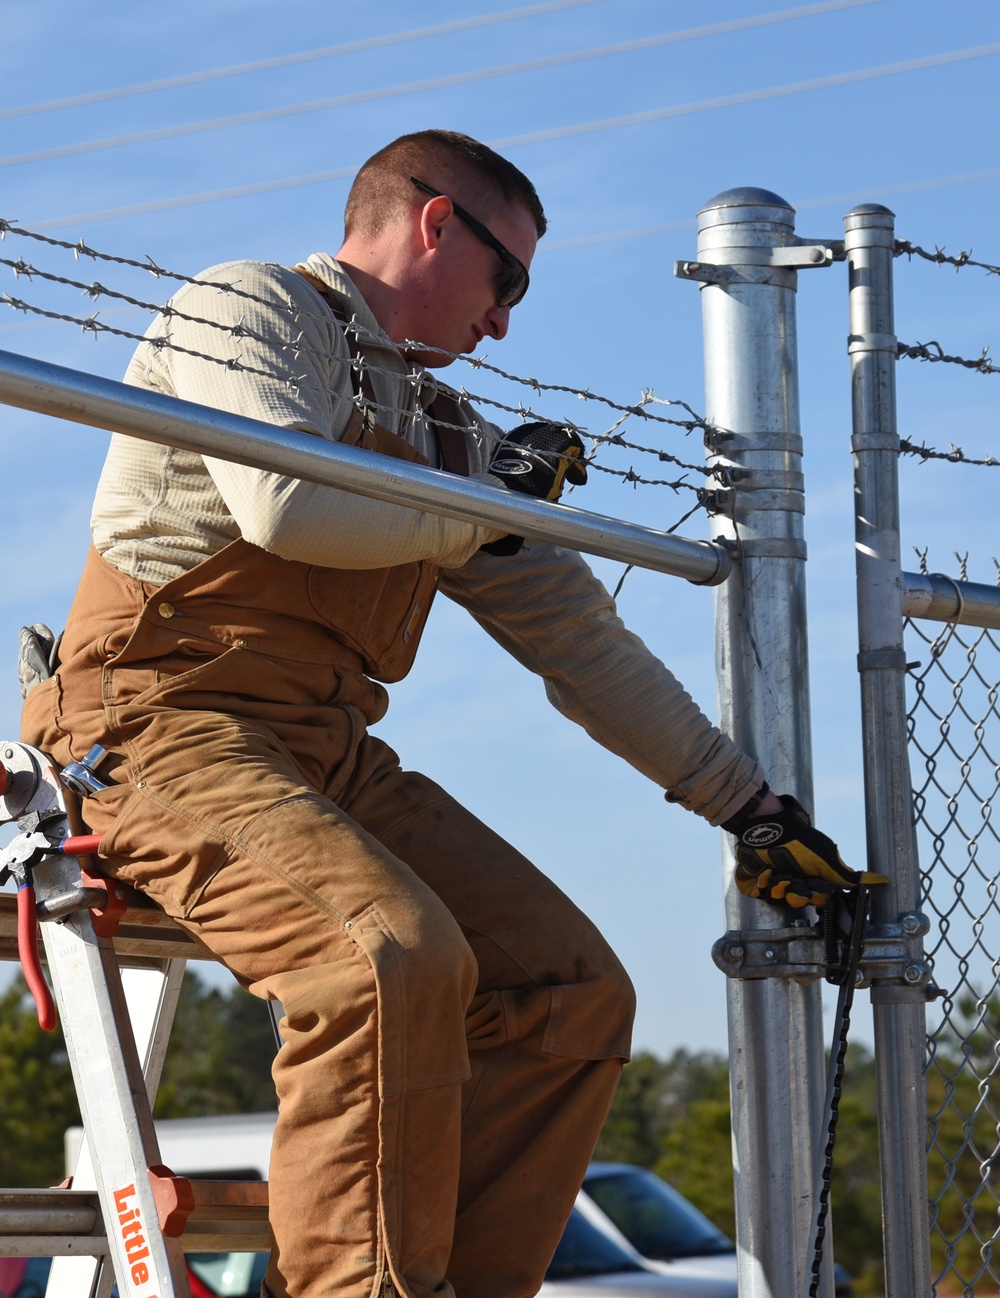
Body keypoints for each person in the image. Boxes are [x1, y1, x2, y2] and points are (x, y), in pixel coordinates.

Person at [20, 130, 865, 1298]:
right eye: (506, 278)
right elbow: (288, 503)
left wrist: (751, 809)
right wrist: (478, 508)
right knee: (384, 956)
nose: (506, 321)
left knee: (567, 991)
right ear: (432, 223)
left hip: (322, 747)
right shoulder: (252, 310)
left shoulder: (450, 434)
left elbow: (577, 641)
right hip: (155, 723)